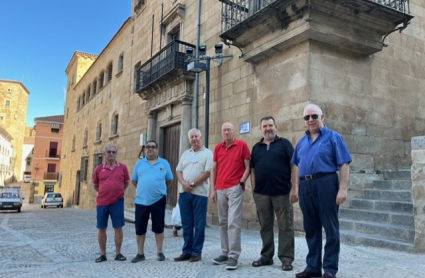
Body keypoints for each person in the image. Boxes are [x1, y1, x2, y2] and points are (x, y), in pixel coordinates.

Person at [290, 104, 351, 278]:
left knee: (330, 228)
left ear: (322, 117)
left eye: (314, 116)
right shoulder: (301, 141)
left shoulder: (334, 137)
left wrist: (342, 188)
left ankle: (330, 269)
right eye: (307, 118)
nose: (310, 120)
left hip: (326, 183)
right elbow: (295, 164)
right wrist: (295, 188)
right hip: (305, 186)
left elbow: (344, 163)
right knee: (311, 228)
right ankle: (313, 267)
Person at [250, 116, 295, 271]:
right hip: (261, 195)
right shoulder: (256, 147)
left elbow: (294, 166)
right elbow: (253, 169)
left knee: (286, 226)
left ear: (276, 126)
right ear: (260, 129)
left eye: (270, 125)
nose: (268, 128)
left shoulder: (285, 144)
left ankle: (286, 258)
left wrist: (295, 188)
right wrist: (254, 188)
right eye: (265, 126)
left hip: (282, 193)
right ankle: (266, 256)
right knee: (265, 226)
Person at [210, 122, 250, 270]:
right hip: (220, 188)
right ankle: (224, 253)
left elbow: (248, 167)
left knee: (233, 221)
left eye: (229, 130)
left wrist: (241, 183)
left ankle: (233, 256)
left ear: (234, 132)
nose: (226, 132)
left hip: (235, 187)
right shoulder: (217, 148)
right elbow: (213, 169)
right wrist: (212, 190)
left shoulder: (242, 145)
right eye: (224, 130)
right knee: (223, 222)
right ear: (221, 133)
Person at [174, 128, 213, 263]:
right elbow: (178, 171)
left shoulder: (208, 153)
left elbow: (207, 172)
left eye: (196, 136)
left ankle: (196, 252)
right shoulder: (185, 153)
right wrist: (184, 184)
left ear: (200, 137)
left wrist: (191, 184)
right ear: (189, 139)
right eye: (191, 137)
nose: (194, 139)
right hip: (184, 193)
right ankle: (187, 251)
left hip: (199, 194)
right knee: (186, 224)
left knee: (199, 223)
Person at [130, 140, 173, 263]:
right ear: (144, 150)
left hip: (158, 200)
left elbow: (169, 180)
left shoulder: (164, 163)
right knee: (140, 228)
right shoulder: (139, 164)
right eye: (148, 147)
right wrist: (144, 189)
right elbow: (134, 181)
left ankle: (159, 252)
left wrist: (159, 190)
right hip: (141, 201)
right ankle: (140, 253)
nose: (150, 149)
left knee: (159, 227)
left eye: (153, 147)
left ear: (157, 149)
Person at [92, 144, 130, 263]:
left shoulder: (123, 167)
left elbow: (126, 182)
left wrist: (118, 191)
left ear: (116, 154)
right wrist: (104, 192)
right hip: (102, 202)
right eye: (109, 152)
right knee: (101, 227)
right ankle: (103, 254)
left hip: (117, 201)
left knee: (118, 227)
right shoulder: (98, 169)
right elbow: (95, 185)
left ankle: (118, 253)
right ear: (105, 154)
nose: (111, 154)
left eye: (113, 152)